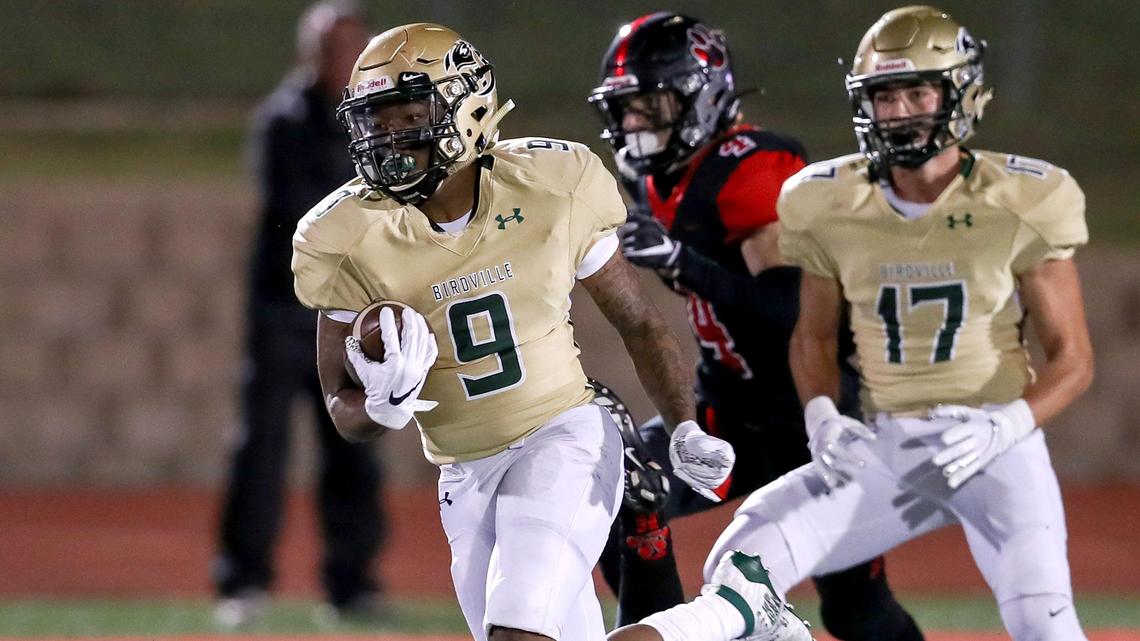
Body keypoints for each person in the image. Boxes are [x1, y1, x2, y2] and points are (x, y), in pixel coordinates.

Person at [607, 6, 1094, 641]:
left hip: (986, 441)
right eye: (883, 95)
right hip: (827, 430)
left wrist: (1011, 420)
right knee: (657, 514)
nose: (898, 113)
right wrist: (824, 417)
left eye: (916, 91)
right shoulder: (829, 199)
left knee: (1019, 621)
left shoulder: (1025, 197)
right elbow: (810, 333)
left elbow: (1072, 357)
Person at [291, 22, 736, 641]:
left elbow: (637, 320)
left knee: (517, 636)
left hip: (564, 436)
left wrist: (683, 422)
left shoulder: (552, 181)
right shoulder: (343, 234)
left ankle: (730, 613)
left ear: (466, 107)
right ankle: (733, 614)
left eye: (407, 114)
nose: (388, 136)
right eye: (376, 119)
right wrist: (381, 407)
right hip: (464, 474)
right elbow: (340, 403)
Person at [587, 12, 923, 641]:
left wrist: (683, 263)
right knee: (615, 497)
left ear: (702, 96)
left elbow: (789, 314)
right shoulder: (656, 175)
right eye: (626, 108)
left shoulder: (754, 166)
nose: (634, 125)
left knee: (854, 606)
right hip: (727, 412)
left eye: (650, 106)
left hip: (808, 416)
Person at [212, 1, 383, 627]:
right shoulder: (283, 121)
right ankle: (243, 581)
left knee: (354, 443)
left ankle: (353, 583)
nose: (346, 63)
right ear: (309, 56)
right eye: (335, 49)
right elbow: (301, 218)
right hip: (284, 311)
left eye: (355, 50)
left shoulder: (374, 120)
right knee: (261, 448)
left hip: (348, 312)